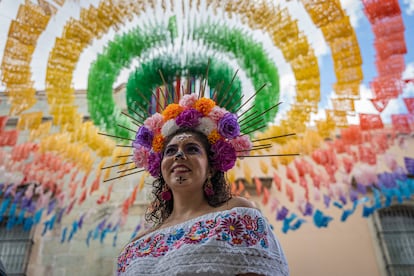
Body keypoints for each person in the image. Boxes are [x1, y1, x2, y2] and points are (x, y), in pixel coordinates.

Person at [117, 93, 289, 275]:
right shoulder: (135, 247)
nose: (179, 156)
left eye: (192, 149)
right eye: (170, 151)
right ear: (160, 168)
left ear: (211, 169)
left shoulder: (236, 216)